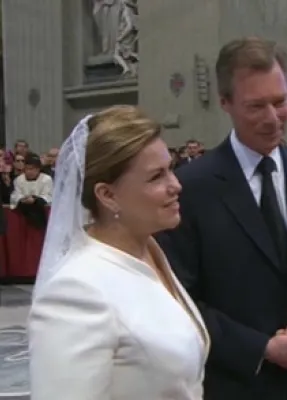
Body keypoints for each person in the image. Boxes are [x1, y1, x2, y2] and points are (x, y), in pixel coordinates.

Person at [155, 37, 287, 400]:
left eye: (280, 102)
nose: (271, 118)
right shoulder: (192, 188)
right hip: (234, 384)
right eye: (255, 106)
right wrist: (261, 347)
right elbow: (181, 301)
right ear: (225, 103)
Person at [28, 105, 210, 400]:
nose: (176, 185)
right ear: (108, 195)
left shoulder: (150, 250)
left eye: (171, 169)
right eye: (156, 177)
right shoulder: (76, 291)